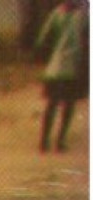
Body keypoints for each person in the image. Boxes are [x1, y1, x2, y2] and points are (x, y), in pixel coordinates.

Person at [36, 0, 90, 153]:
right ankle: (60, 141)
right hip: (74, 66)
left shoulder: (56, 13)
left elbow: (43, 39)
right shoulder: (84, 15)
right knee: (69, 104)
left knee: (51, 104)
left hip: (55, 67)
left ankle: (44, 141)